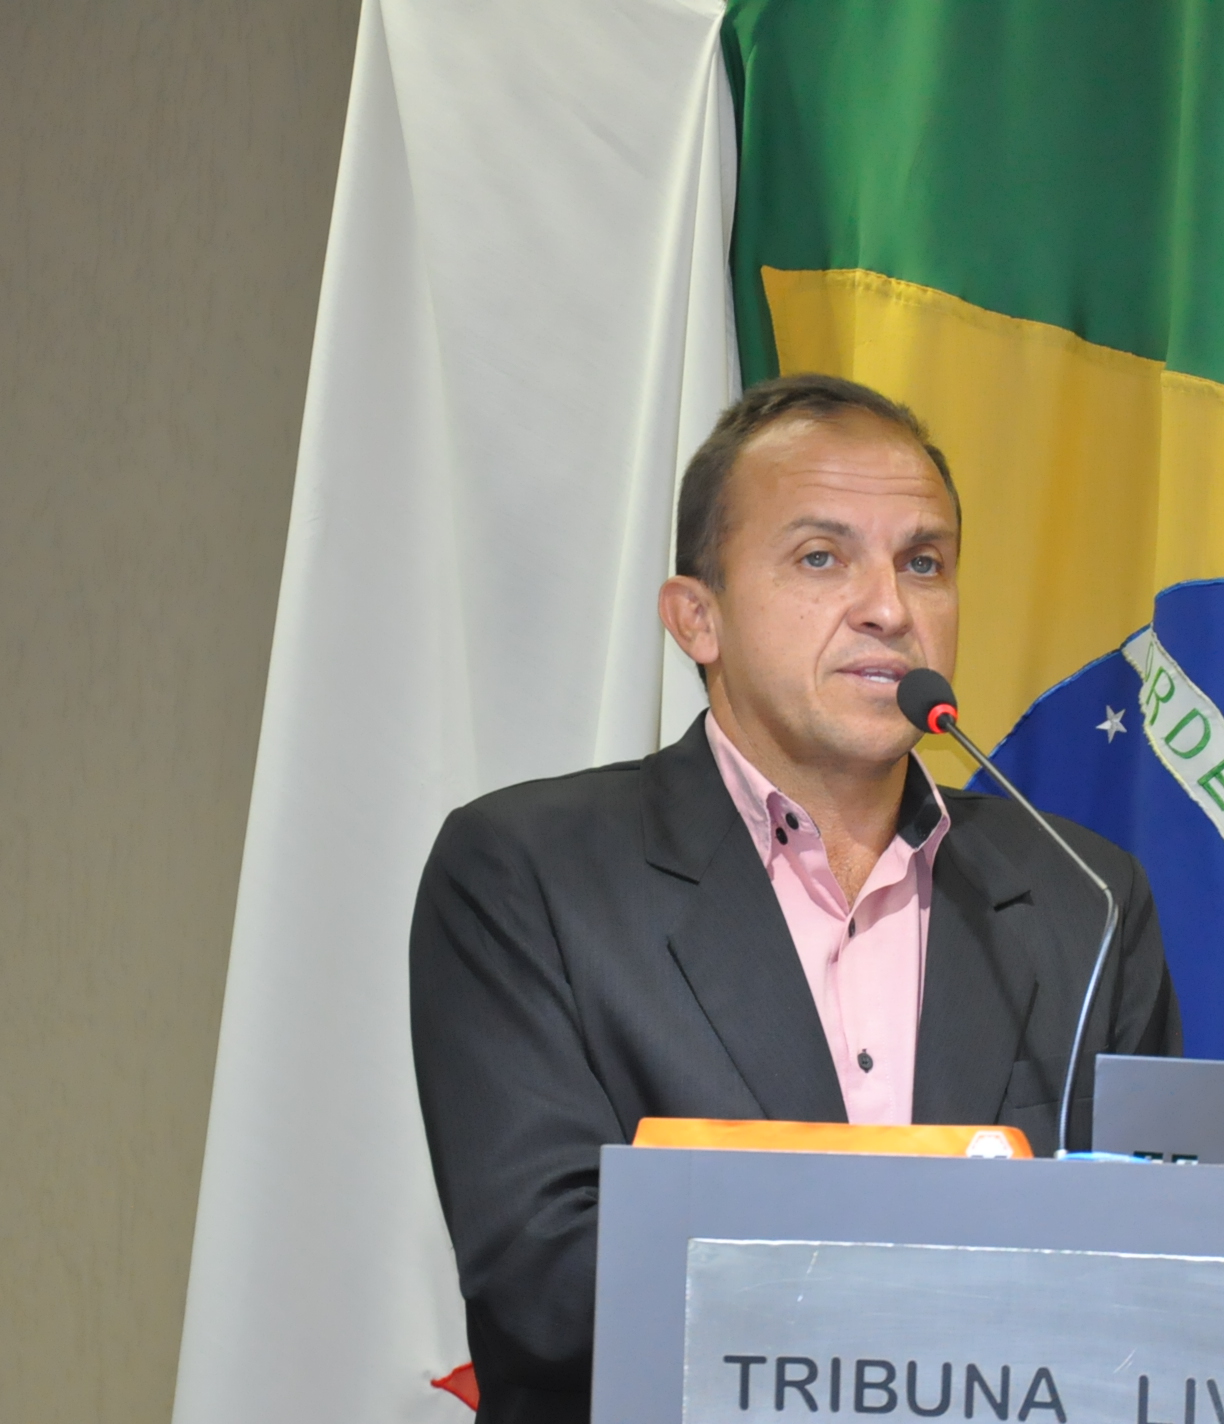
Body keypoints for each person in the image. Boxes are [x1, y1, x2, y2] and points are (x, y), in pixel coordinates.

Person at [409, 374, 1179, 1424]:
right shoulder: (530, 873)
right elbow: (550, 1287)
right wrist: (963, 1265)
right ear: (697, 619)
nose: (889, 608)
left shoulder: (1079, 896)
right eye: (821, 557)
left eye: (924, 562)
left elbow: (1159, 1278)